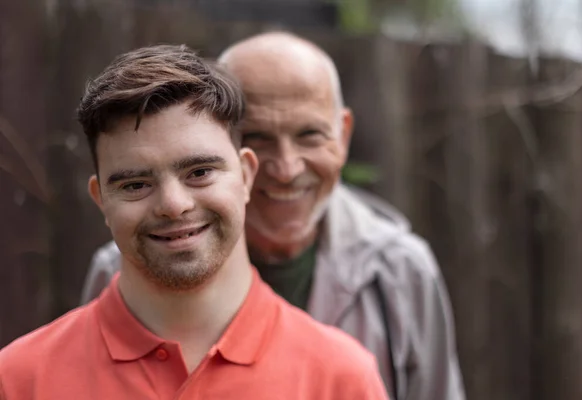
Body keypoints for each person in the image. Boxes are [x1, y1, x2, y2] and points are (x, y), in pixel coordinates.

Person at [81, 33, 465, 400]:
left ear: (343, 135)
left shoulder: (399, 271)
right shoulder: (125, 267)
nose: (285, 168)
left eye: (310, 135)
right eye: (259, 137)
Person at [0, 44, 390, 400]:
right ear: (101, 199)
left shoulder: (341, 380)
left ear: (246, 176)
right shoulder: (20, 380)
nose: (173, 204)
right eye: (136, 184)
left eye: (200, 172)